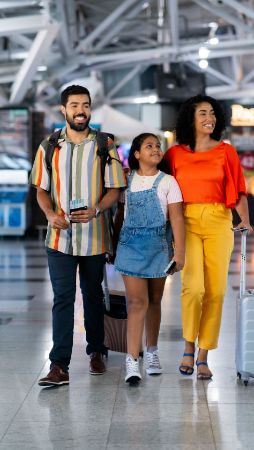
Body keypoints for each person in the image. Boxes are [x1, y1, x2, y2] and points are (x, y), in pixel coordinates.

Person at [29, 85, 126, 387]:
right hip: (59, 239)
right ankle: (59, 365)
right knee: (63, 299)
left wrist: (97, 209)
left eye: (85, 105)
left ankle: (97, 350)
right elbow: (41, 190)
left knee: (93, 296)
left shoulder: (104, 144)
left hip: (95, 236)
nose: (80, 110)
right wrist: (49, 215)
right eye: (74, 105)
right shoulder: (48, 146)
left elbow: (115, 189)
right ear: (63, 109)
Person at [164, 94, 253, 380]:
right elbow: (157, 181)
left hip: (218, 221)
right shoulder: (175, 153)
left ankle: (203, 354)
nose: (209, 118)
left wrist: (246, 220)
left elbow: (237, 188)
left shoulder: (226, 151)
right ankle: (188, 346)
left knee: (215, 291)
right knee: (194, 288)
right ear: (190, 118)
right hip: (185, 221)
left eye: (212, 113)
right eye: (203, 113)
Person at [114, 133, 185, 384]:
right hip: (130, 247)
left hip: (158, 247)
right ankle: (132, 360)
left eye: (157, 146)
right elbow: (120, 213)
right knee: (136, 303)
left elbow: (176, 218)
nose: (155, 149)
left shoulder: (169, 182)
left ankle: (152, 351)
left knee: (155, 300)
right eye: (149, 146)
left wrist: (180, 253)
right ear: (136, 154)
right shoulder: (126, 180)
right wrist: (112, 245)